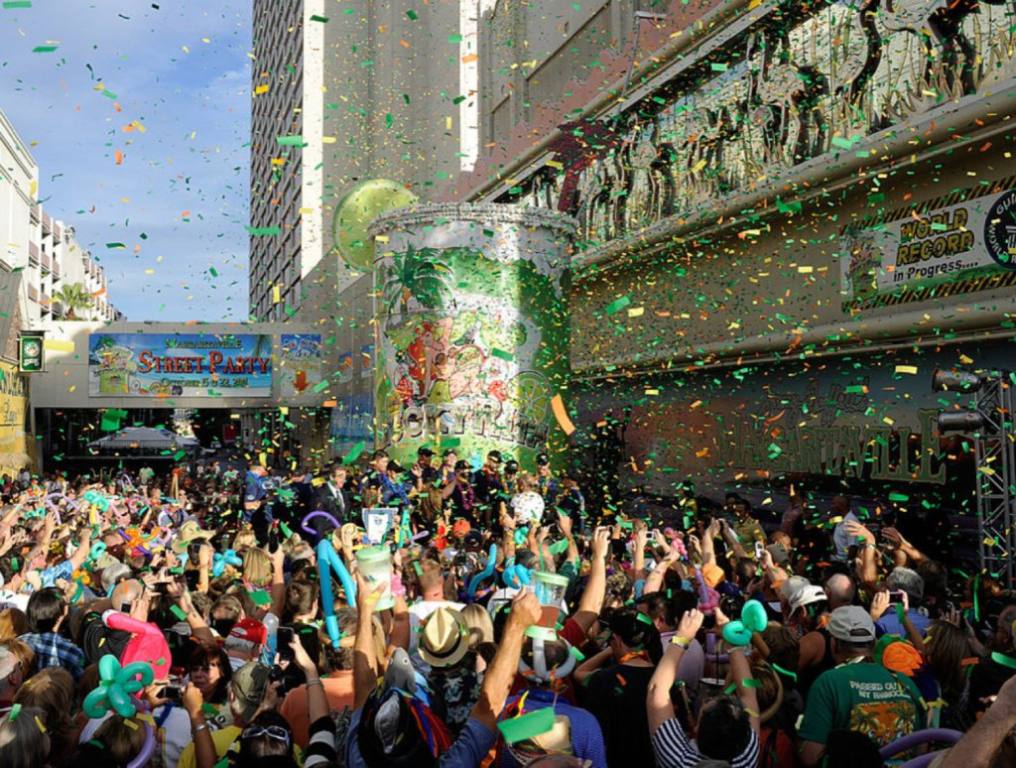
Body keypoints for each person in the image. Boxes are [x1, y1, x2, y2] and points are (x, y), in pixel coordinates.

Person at [798, 606, 926, 765]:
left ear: (834, 643)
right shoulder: (904, 681)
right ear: (873, 643)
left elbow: (810, 756)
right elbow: (922, 747)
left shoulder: (828, 682)